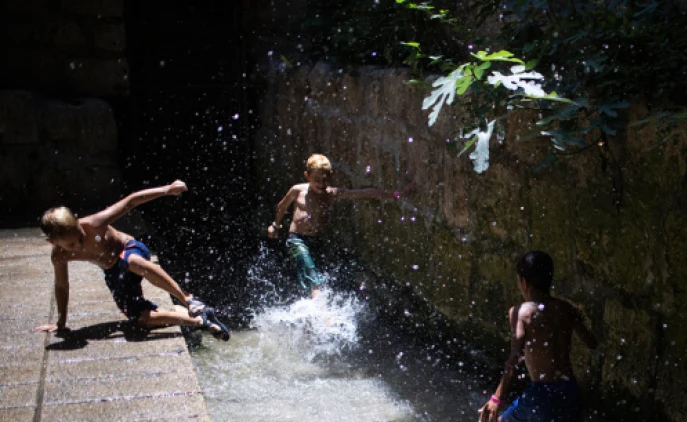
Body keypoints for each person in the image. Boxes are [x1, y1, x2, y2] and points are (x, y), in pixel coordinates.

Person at [33, 180, 230, 340]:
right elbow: (61, 286)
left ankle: (187, 300)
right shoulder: (59, 255)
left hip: (131, 251)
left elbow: (131, 201)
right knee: (140, 319)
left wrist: (167, 190)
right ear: (53, 242)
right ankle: (200, 321)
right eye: (71, 245)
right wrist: (60, 323)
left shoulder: (95, 223)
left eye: (81, 236)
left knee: (130, 261)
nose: (79, 245)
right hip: (114, 272)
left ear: (77, 219)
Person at [478, 251, 598, 422]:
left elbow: (514, 360)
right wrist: (577, 317)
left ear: (524, 282)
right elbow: (592, 343)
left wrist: (496, 398)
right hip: (570, 391)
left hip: (543, 392)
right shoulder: (565, 309)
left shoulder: (520, 312)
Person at [267, 154, 413, 298]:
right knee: (312, 275)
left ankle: (310, 308)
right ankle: (324, 315)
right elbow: (282, 206)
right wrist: (276, 225)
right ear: (307, 176)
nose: (320, 184)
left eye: (325, 180)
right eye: (316, 180)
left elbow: (363, 193)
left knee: (318, 276)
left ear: (330, 175)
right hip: (297, 240)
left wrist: (395, 194)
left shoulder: (331, 194)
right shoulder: (297, 190)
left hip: (317, 241)